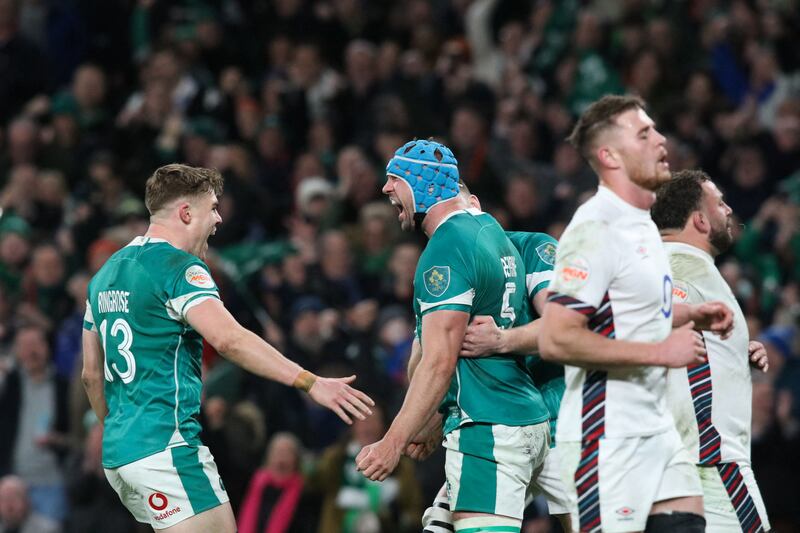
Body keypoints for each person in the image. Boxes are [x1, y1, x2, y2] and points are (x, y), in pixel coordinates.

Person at [81, 163, 375, 532]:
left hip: (120, 456)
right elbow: (229, 339)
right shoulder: (179, 268)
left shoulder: (104, 273)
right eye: (213, 208)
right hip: (165, 448)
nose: (218, 219)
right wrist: (309, 381)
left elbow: (91, 375)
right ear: (186, 213)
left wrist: (119, 434)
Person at [538, 95, 734, 533]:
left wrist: (690, 314)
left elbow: (628, 313)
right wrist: (662, 352)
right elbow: (556, 338)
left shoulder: (642, 224)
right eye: (644, 134)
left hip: (657, 429)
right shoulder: (595, 228)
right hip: (605, 438)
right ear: (609, 156)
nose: (661, 140)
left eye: (655, 129)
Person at [357, 139, 551, 533]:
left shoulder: (447, 249)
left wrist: (392, 441)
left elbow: (439, 361)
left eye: (394, 179)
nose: (386, 189)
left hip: (487, 429)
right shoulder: (490, 229)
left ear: (421, 183)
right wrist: (430, 421)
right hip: (519, 418)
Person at [418, 185, 572, 532]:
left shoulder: (534, 247)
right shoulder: (447, 265)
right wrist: (431, 417)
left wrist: (502, 340)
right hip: (495, 425)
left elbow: (566, 328)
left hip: (562, 420)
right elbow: (428, 357)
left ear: (476, 204)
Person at [651, 169, 771, 532]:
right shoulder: (681, 267)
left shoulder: (683, 266)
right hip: (711, 464)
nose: (729, 209)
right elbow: (655, 317)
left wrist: (733, 349)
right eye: (720, 203)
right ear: (700, 220)